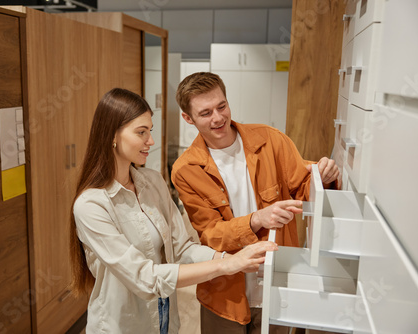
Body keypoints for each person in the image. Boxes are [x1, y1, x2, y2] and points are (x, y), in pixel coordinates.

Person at [69, 87, 279, 334]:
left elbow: (183, 248)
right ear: (112, 136)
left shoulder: (152, 182)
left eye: (150, 131)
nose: (151, 141)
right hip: (122, 325)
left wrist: (232, 260)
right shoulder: (91, 205)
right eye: (141, 133)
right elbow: (145, 279)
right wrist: (227, 266)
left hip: (164, 319)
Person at [171, 72, 340, 334]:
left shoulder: (270, 140)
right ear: (188, 118)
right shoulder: (186, 169)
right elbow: (211, 234)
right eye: (205, 113)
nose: (218, 118)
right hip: (224, 293)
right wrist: (256, 219)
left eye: (222, 106)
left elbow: (304, 188)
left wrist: (325, 178)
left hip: (276, 283)